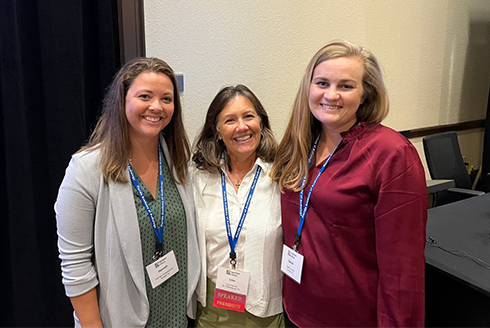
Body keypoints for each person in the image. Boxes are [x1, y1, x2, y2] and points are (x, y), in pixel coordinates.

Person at [270, 40, 427, 327]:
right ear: (309, 87)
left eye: (346, 86)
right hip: (296, 310)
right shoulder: (299, 145)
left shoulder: (392, 154)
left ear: (366, 94)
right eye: (322, 83)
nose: (331, 95)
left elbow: (403, 271)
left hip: (353, 318)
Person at [55, 57, 200, 328]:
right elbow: (75, 267)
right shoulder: (87, 169)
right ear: (121, 101)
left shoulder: (178, 163)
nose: (156, 107)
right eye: (145, 96)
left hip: (178, 318)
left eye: (166, 99)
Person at [190, 85, 284, 327]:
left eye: (249, 116)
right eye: (230, 120)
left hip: (266, 310)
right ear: (218, 131)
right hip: (212, 310)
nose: (242, 127)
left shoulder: (282, 177)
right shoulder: (198, 178)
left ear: (261, 123)